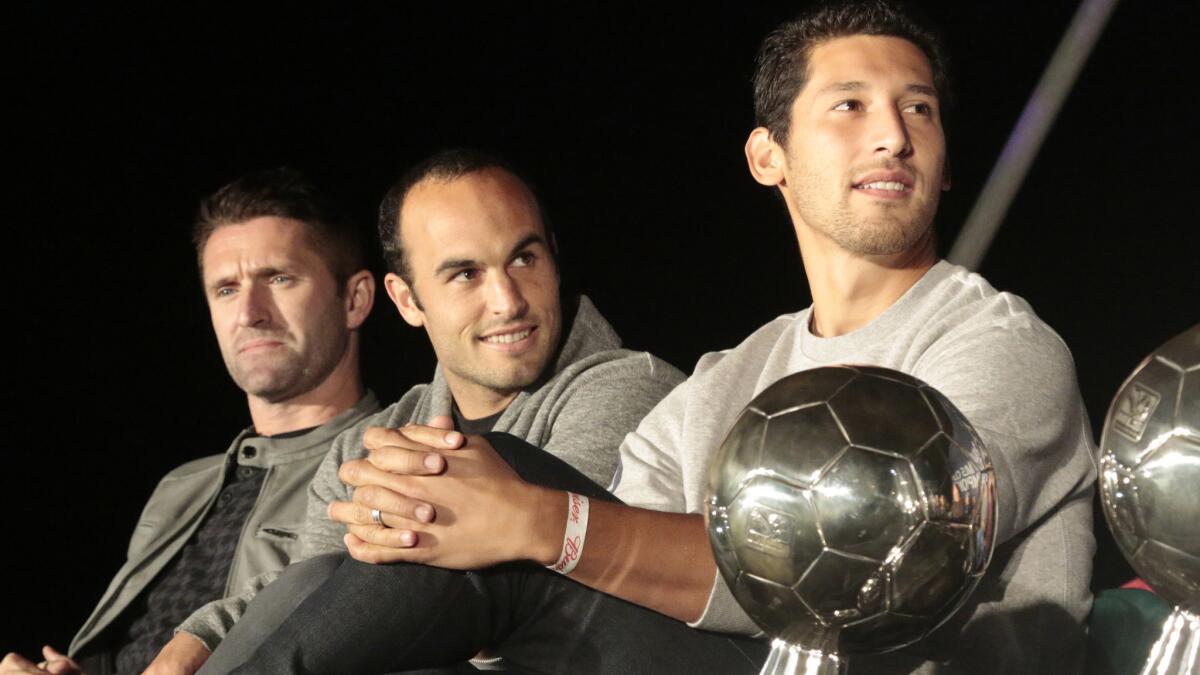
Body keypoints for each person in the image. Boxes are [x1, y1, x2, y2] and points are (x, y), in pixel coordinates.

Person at [207, 2, 1098, 673]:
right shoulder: (725, 380)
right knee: (396, 553)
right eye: (851, 106)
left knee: (513, 501)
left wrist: (534, 518)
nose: (895, 136)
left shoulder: (1000, 347)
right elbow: (610, 576)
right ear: (767, 157)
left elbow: (862, 573)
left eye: (921, 110)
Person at [148, 149, 686, 673]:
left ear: (554, 256)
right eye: (465, 275)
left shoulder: (629, 387)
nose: (507, 300)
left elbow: (518, 587)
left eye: (524, 258)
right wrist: (198, 638)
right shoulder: (368, 443)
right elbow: (308, 596)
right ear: (406, 300)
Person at [0, 168, 380, 675]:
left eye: (279, 278)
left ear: (354, 299)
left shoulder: (387, 467)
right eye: (225, 289)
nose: (249, 312)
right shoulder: (181, 486)